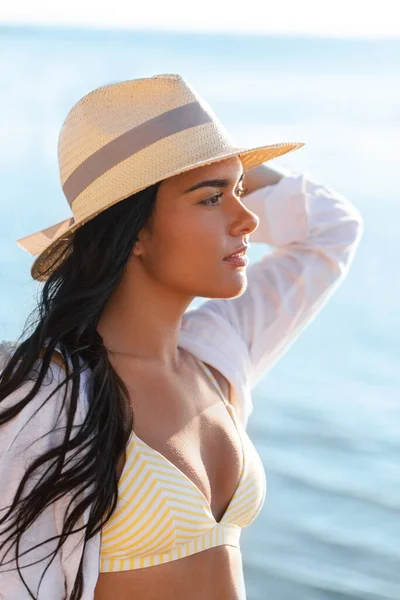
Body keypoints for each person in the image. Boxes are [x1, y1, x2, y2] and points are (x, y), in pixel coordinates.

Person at [0, 73, 363, 600]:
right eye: (211, 199)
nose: (248, 220)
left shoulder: (215, 355)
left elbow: (330, 229)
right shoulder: (40, 397)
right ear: (136, 230)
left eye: (239, 190)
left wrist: (209, 153)